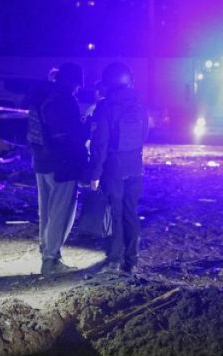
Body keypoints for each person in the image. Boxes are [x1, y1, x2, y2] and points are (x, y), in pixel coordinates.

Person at [87, 62, 149, 275]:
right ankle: (131, 261)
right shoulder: (140, 104)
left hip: (113, 169)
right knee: (130, 212)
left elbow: (100, 144)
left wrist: (94, 174)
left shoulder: (105, 107)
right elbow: (144, 136)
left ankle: (114, 259)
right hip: (135, 167)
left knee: (115, 214)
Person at [27, 63, 87, 276]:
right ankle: (51, 260)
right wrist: (87, 127)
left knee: (46, 211)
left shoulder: (42, 96)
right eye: (77, 83)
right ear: (71, 81)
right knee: (61, 212)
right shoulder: (65, 100)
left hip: (41, 162)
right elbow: (69, 135)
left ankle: (47, 253)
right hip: (62, 164)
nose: (78, 88)